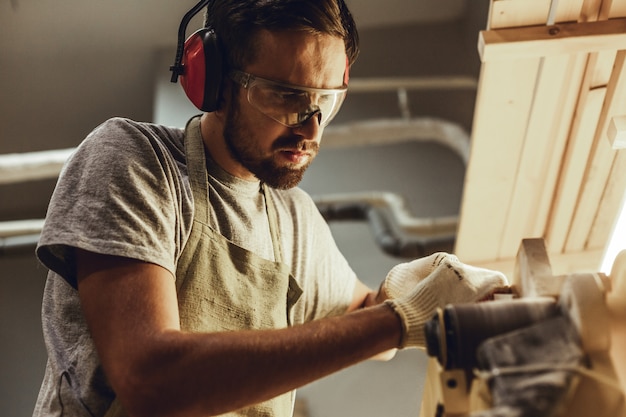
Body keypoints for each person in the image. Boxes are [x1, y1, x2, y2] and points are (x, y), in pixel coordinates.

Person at [32, 1, 508, 416]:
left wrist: (409, 292)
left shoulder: (294, 220)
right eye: (286, 97)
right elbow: (151, 380)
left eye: (326, 100)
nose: (311, 129)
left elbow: (363, 313)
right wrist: (396, 321)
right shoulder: (136, 161)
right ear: (212, 80)